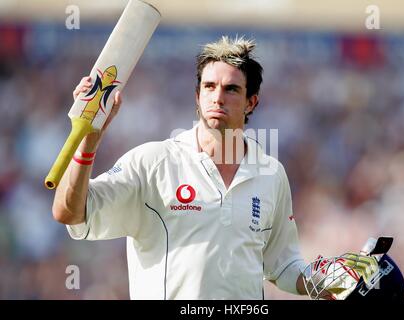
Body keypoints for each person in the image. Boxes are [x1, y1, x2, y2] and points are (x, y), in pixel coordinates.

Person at [52, 36, 373, 300]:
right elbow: (70, 213)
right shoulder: (152, 162)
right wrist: (88, 140)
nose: (217, 97)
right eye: (209, 87)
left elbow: (283, 265)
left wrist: (330, 281)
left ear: (251, 102)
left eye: (231, 89)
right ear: (196, 95)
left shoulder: (271, 174)